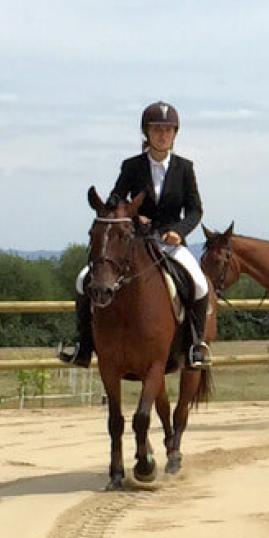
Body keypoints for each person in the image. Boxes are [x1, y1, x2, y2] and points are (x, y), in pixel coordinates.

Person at [58, 101, 212, 369]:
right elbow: (115, 198)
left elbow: (195, 210)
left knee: (199, 283)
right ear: (147, 133)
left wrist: (178, 231)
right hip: (135, 242)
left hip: (170, 243)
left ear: (175, 134)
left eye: (168, 130)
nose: (162, 135)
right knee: (84, 279)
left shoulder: (185, 168)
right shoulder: (131, 166)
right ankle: (83, 345)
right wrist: (130, 215)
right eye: (156, 129)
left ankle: (194, 346)